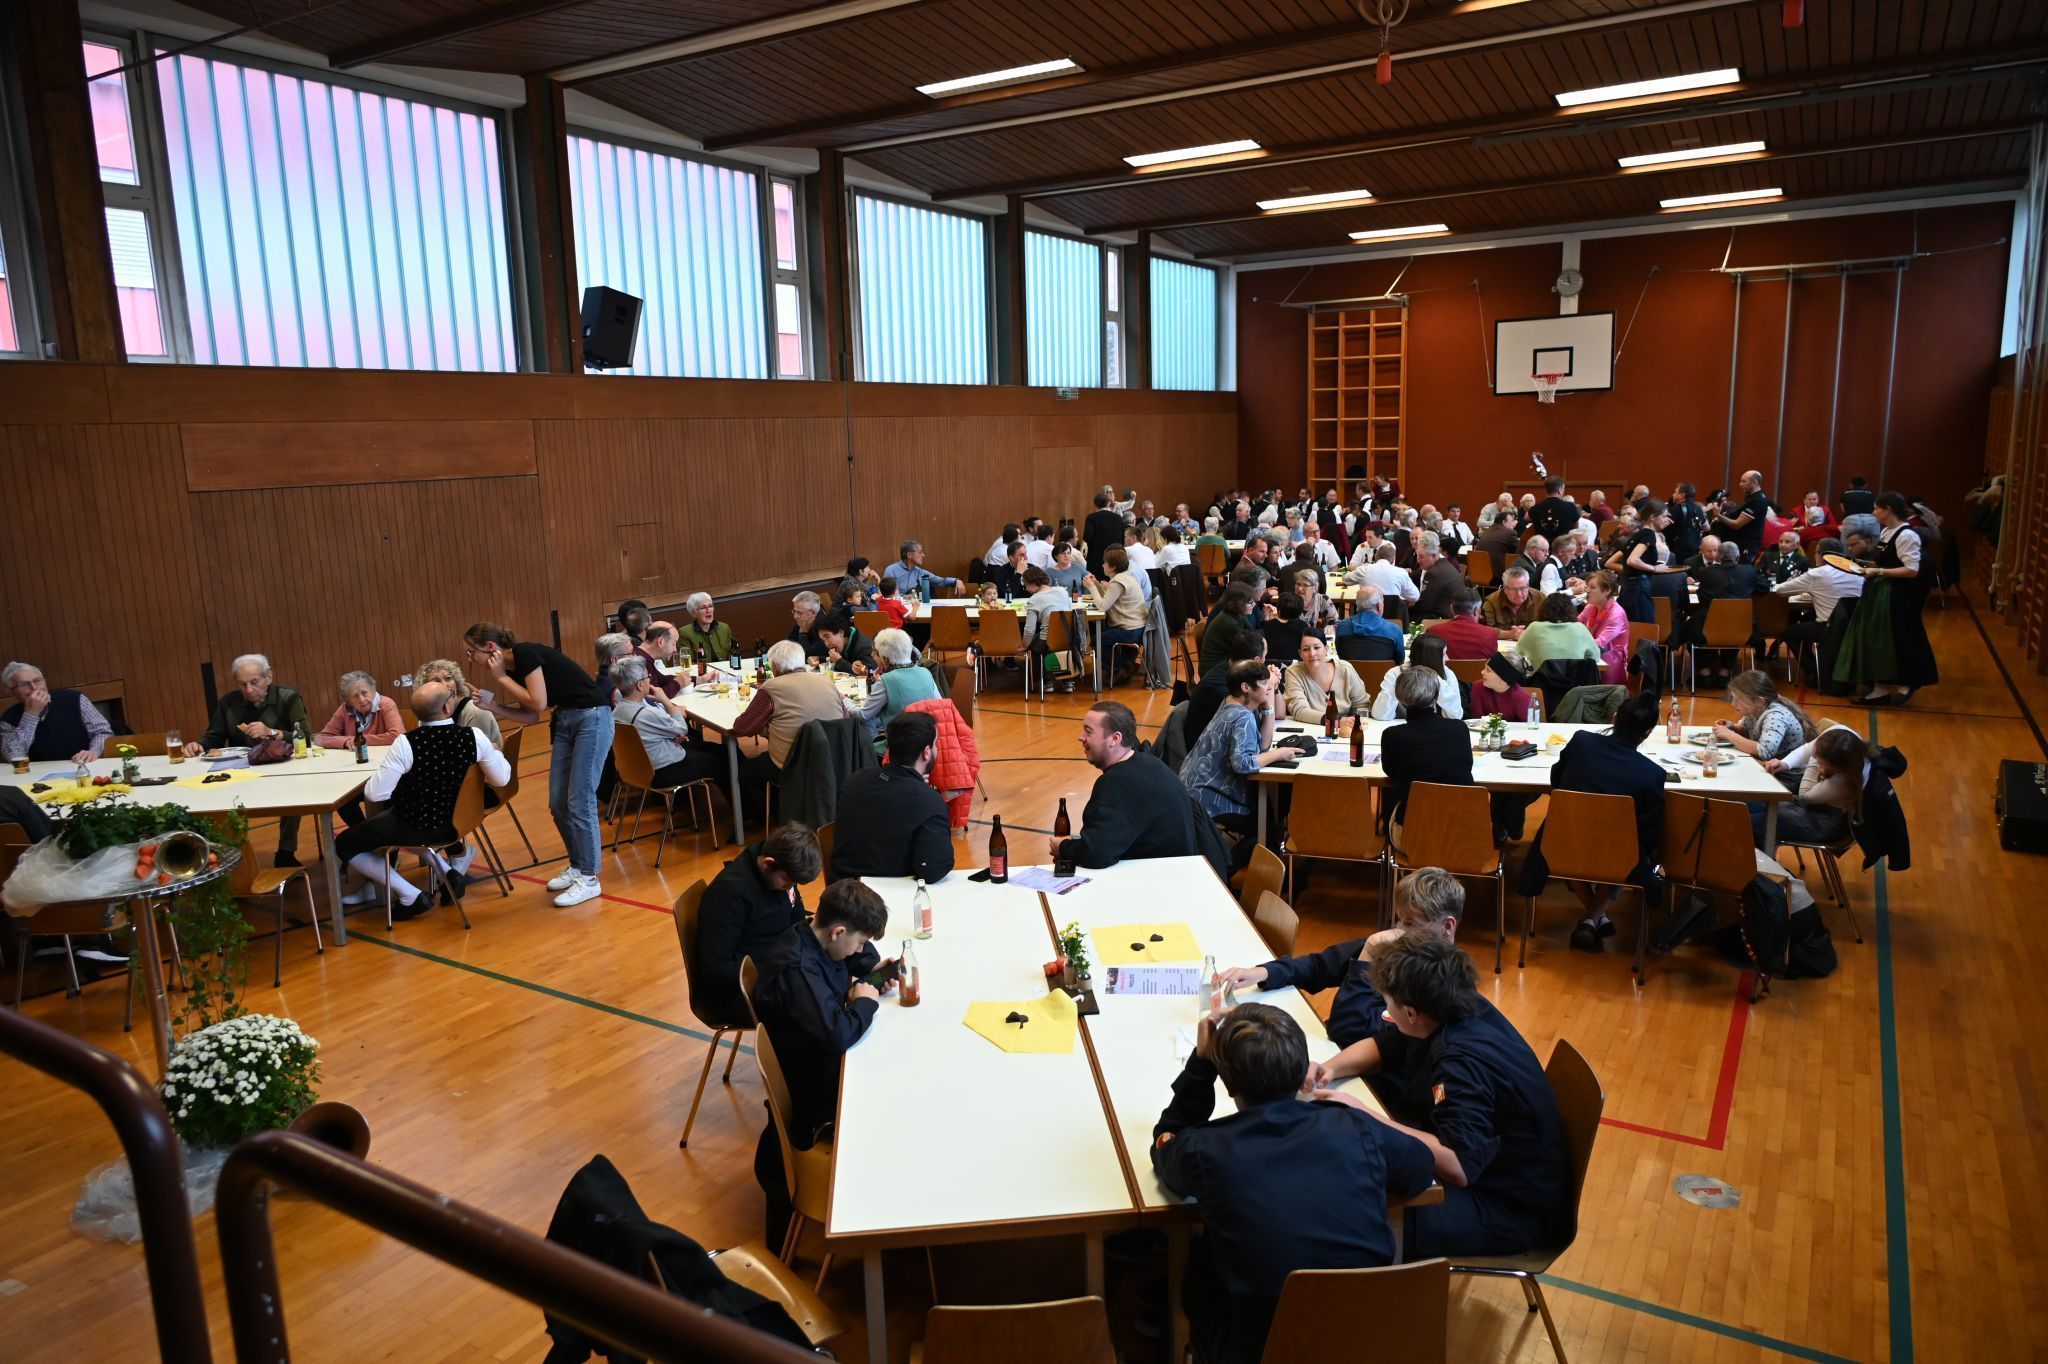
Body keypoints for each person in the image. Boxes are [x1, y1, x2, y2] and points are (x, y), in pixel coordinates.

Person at [1150, 1000, 1433, 1364]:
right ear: (1305, 1076)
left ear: (1229, 1085)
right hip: (1367, 1337)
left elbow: (1166, 1143)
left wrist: (1202, 1064)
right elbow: (1419, 1167)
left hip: (1262, 1349)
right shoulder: (1353, 1125)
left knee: (1195, 1257)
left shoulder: (1204, 1149)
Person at [1313, 934, 1573, 1260]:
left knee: (1351, 1209)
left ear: (1410, 1012)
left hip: (1508, 1209)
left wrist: (1364, 1113)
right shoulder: (1451, 1004)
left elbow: (1459, 1164)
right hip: (1498, 1176)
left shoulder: (1460, 1065)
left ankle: (1381, 1302)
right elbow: (1385, 1045)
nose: (1385, 1007)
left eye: (1387, 1001)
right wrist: (1327, 1070)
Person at [750, 877, 888, 1247]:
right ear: (837, 931)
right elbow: (838, 1033)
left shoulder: (812, 936)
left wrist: (872, 976)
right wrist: (864, 1003)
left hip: (813, 1058)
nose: (860, 948)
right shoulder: (798, 969)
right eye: (858, 940)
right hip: (812, 1085)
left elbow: (856, 962)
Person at [1217, 867, 1463, 1048]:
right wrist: (1264, 972)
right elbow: (1319, 966)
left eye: (1410, 923)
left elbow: (1346, 1029)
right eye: (1398, 919)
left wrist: (1369, 954)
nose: (1398, 929)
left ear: (1447, 926)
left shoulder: (1440, 988)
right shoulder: (1402, 943)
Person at [333, 681, 510, 918]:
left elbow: (375, 794)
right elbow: (501, 779)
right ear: (448, 708)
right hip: (462, 822)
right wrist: (496, 753)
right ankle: (448, 873)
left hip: (419, 826)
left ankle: (409, 895)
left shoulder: (406, 744)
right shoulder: (474, 737)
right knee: (398, 830)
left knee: (345, 844)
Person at [464, 623, 613, 905]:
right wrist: (493, 707)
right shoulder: (508, 670)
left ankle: (590, 878)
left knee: (580, 800)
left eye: (472, 652)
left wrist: (500, 679)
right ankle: (578, 865)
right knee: (558, 803)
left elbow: (539, 703)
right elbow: (532, 716)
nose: (470, 659)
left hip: (591, 717)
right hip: (566, 719)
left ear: (490, 648)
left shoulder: (526, 654)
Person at [1518, 693, 1665, 951]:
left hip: (1563, 844)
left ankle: (1591, 919)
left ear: (1615, 717)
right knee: (1625, 846)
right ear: (1648, 732)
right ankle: (1594, 917)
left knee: (1578, 842)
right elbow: (1650, 834)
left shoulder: (1581, 742)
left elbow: (1557, 781)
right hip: (1615, 855)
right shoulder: (1651, 774)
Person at [186, 653, 312, 866]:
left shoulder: (288, 698)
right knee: (211, 794)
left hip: (281, 767)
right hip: (241, 770)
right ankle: (230, 857)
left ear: (268, 677)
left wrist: (271, 732)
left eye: (254, 682)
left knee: (294, 796)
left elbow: (307, 738)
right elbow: (214, 736)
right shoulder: (228, 702)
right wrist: (198, 744)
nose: (248, 690)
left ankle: (285, 853)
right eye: (242, 684)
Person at [696, 824, 822, 1030]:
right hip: (738, 991)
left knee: (832, 980)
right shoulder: (729, 894)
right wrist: (780, 966)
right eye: (788, 882)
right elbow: (714, 971)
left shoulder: (783, 870)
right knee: (813, 1015)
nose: (790, 888)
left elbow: (796, 922)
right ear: (767, 864)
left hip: (776, 969)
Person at [1050, 701, 1198, 868]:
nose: (1081, 737)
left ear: (1115, 738)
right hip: (1179, 868)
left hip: (1157, 878)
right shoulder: (1147, 761)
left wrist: (1062, 847)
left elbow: (1096, 853)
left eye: (1088, 732)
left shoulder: (1117, 784)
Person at [1180, 659, 1292, 870]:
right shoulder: (1242, 717)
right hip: (1209, 799)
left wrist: (1266, 705)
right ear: (1245, 687)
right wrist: (1279, 754)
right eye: (1264, 683)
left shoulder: (1230, 702)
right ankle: (1225, 870)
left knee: (1265, 810)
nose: (1269, 687)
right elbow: (1243, 763)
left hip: (1193, 790)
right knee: (1265, 829)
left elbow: (1263, 745)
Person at [1758, 724, 1910, 864]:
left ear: (1836, 767)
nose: (1814, 754)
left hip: (1826, 822)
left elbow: (1805, 795)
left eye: (1820, 759)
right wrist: (1784, 763)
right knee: (1755, 806)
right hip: (1816, 806)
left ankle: (1766, 874)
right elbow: (1807, 749)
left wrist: (1814, 760)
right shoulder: (1841, 737)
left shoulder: (1846, 781)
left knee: (1754, 823)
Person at [829, 712, 954, 883]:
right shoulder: (929, 801)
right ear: (926, 752)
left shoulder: (853, 781)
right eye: (935, 744)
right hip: (890, 900)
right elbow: (933, 869)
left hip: (841, 894)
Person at [1836, 494, 1937, 706]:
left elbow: (1911, 570)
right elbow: (1882, 561)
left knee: (1896, 639)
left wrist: (1879, 571)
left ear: (1888, 509)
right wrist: (1865, 567)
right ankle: (1879, 689)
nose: (1873, 513)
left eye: (1876, 509)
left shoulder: (1907, 535)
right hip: (1879, 592)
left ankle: (1907, 683)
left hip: (1896, 596)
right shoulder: (1886, 532)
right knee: (1875, 640)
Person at [730, 640, 853, 808]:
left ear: (774, 667)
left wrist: (767, 727)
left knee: (744, 772)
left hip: (793, 765)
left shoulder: (771, 687)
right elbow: (845, 720)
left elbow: (742, 728)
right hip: (835, 761)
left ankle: (774, 814)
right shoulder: (827, 682)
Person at [1379, 667, 1473, 858]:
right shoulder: (1459, 728)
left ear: (1400, 697)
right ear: (1436, 695)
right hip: (1465, 833)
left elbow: (1391, 772)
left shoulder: (1392, 735)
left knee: (1393, 796)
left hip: (1413, 833)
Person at [611, 655, 723, 791]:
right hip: (663, 771)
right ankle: (741, 809)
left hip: (636, 769)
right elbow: (682, 729)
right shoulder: (646, 713)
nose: (650, 681)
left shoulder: (617, 711)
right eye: (648, 677)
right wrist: (665, 700)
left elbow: (646, 736)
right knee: (720, 762)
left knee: (709, 749)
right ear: (640, 685)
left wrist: (671, 735)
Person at [0, 662, 112, 764]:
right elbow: (14, 757)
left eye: (37, 681)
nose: (34, 687)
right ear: (11, 692)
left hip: (82, 766)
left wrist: (93, 752)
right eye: (25, 684)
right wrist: (31, 714)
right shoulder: (8, 718)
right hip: (38, 779)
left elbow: (102, 732)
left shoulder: (73, 699)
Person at [1711, 669, 1816, 765]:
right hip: (1768, 770)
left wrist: (1729, 735)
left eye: (1738, 699)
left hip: (1786, 778)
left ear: (1759, 701)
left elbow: (1764, 751)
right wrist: (1732, 727)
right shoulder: (1755, 710)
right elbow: (1750, 732)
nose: (1733, 704)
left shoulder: (1776, 716)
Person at [1188, 632, 1274, 747]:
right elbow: (1261, 744)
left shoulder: (1236, 674)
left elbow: (1279, 715)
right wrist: (1270, 686)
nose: (1265, 662)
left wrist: (1268, 686)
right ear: (1256, 661)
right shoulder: (1228, 690)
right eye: (1265, 657)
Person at [1616, 499, 1683, 622]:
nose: (1665, 520)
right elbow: (1632, 560)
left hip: (1628, 586)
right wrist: (1654, 568)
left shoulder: (1639, 534)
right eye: (1663, 516)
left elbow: (1621, 561)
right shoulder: (1649, 535)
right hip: (1638, 588)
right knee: (1645, 629)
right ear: (1652, 517)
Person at [1371, 633, 1464, 720]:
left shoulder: (1447, 674)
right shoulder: (1395, 673)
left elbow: (1456, 716)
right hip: (1404, 729)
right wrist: (1402, 684)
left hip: (1436, 730)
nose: (1448, 658)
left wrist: (1435, 679)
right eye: (1444, 654)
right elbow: (1380, 715)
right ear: (1432, 658)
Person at [1283, 632, 1371, 724]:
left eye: (1317, 647)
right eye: (1305, 649)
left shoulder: (1345, 669)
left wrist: (1353, 725)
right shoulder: (1293, 672)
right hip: (1311, 730)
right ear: (1300, 653)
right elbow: (1299, 710)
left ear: (1326, 649)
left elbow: (1361, 706)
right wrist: (1336, 722)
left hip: (1346, 730)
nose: (1312, 653)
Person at [414, 658, 503, 747]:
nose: (445, 685)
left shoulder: (475, 711)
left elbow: (479, 752)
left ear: (456, 682)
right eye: (436, 681)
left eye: (448, 678)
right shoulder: (429, 712)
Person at [315, 671, 405, 751]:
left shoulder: (386, 704)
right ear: (348, 701)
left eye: (364, 693)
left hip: (384, 757)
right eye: (355, 696)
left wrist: (358, 740)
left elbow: (397, 735)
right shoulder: (345, 709)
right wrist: (345, 741)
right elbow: (321, 738)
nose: (362, 699)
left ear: (373, 690)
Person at [1515, 592, 1601, 674]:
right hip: (1575, 686)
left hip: (1541, 684)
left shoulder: (1534, 627)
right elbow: (1595, 656)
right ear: (1571, 610)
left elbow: (1518, 653)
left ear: (1542, 609)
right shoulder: (1580, 628)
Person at [1578, 570, 1630, 685]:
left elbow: (1600, 642)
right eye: (1587, 587)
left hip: (1612, 664)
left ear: (1607, 591)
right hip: (1594, 659)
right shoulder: (1590, 606)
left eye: (1592, 587)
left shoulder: (1616, 614)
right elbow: (1575, 625)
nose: (1587, 591)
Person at [1198, 583, 1261, 676]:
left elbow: (1252, 634)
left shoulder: (1236, 613)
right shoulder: (1229, 623)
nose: (1254, 605)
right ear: (1238, 603)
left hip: (1223, 665)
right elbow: (1250, 646)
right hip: (1213, 672)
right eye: (1250, 602)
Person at [1331, 584, 1405, 660]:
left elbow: (1341, 655)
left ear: (1357, 605)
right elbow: (1399, 660)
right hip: (1383, 671)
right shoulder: (1394, 629)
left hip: (1350, 671)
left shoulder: (1342, 626)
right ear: (1379, 606)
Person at [1714, 469, 1773, 560]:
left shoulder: (1757, 501)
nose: (1740, 484)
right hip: (1739, 544)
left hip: (1745, 547)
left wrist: (1718, 515)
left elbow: (1737, 524)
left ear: (1754, 482)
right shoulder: (1751, 498)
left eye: (1744, 481)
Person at [1427, 590, 1498, 660]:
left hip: (1442, 671)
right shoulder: (1490, 634)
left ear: (1451, 608)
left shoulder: (1433, 632)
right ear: (1476, 612)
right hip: (1476, 672)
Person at [881, 539, 959, 600]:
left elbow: (940, 581)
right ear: (909, 555)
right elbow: (887, 597)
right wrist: (908, 598)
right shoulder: (891, 571)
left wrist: (956, 581)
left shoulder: (920, 572)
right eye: (920, 552)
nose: (923, 555)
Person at [1412, 535, 1465, 621]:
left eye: (1421, 557)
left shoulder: (1434, 573)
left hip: (1442, 619)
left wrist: (1407, 609)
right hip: (1451, 614)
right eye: (1417, 556)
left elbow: (1423, 606)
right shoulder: (1443, 565)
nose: (1418, 560)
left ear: (1433, 556)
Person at [1468, 652, 1532, 722]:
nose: (1482, 672)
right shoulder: (1478, 688)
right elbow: (1476, 721)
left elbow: (1529, 728)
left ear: (1504, 678)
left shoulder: (1522, 698)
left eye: (1488, 670)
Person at [1480, 567, 1546, 635]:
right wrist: (1510, 634)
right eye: (1514, 590)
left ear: (1528, 586)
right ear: (1505, 589)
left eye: (1522, 588)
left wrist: (1527, 634)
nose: (1519, 594)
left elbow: (1548, 627)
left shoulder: (1540, 599)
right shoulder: (1492, 602)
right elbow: (1485, 630)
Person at [814, 609, 877, 678]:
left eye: (827, 637)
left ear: (841, 632)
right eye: (823, 640)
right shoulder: (842, 643)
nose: (826, 644)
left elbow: (867, 674)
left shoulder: (864, 646)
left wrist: (839, 661)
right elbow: (842, 659)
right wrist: (820, 659)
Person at [676, 592, 737, 663]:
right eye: (703, 608)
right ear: (693, 613)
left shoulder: (724, 628)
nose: (708, 610)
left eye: (710, 606)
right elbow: (688, 663)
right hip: (701, 672)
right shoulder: (685, 633)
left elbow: (732, 654)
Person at [1083, 490, 1127, 575]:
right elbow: (1122, 539)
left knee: (1096, 584)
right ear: (1108, 504)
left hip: (1096, 558)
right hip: (1115, 558)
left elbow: (1087, 537)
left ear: (1095, 505)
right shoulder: (1118, 518)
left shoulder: (1091, 518)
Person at [636, 622, 684, 698]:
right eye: (674, 644)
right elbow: (653, 698)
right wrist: (677, 683)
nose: (675, 650)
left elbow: (662, 679)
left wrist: (696, 680)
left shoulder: (643, 655)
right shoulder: (639, 662)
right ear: (660, 641)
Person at [1260, 594, 1309, 665]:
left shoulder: (1266, 626)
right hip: (1296, 667)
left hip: (1271, 667)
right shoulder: (1303, 626)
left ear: (1278, 608)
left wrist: (1265, 617)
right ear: (1300, 611)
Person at [1526, 477, 1578, 543]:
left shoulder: (1536, 508)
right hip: (1563, 547)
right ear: (1560, 490)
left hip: (1542, 548)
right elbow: (1575, 527)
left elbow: (1526, 517)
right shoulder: (1570, 507)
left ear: (1545, 490)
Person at [1472, 508, 1520, 578]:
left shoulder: (1486, 532)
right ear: (1504, 522)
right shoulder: (1509, 533)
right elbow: (1519, 552)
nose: (1514, 523)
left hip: (1479, 574)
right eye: (1512, 521)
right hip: (1498, 575)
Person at [785, 591, 827, 661]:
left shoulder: (825, 627)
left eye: (799, 613)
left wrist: (802, 634)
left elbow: (808, 657)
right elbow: (787, 645)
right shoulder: (803, 622)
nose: (795, 616)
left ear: (812, 612)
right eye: (794, 612)